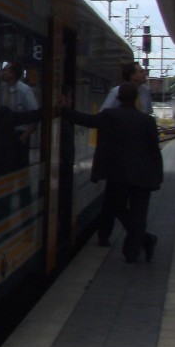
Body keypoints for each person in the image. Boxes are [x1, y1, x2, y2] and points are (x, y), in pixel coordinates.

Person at [65, 82, 164, 263]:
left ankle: (146, 240)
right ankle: (132, 252)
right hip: (144, 175)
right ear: (135, 99)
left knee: (117, 207)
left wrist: (64, 111)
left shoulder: (110, 115)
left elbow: (88, 121)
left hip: (119, 175)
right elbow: (154, 150)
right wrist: (159, 174)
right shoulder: (148, 121)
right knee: (139, 214)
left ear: (118, 98)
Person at [0, 62, 38, 168]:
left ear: (13, 74)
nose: (2, 72)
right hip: (5, 134)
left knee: (21, 165)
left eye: (5, 70)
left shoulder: (24, 90)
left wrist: (24, 136)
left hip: (20, 134)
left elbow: (35, 115)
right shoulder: (2, 88)